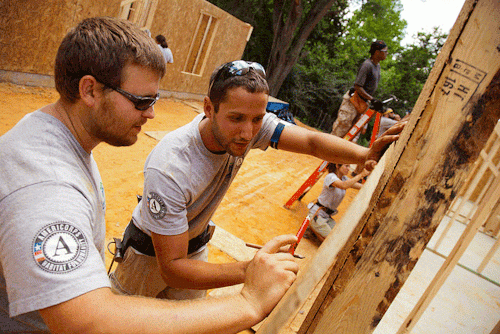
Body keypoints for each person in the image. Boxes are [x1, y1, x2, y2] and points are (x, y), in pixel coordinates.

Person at [0, 17, 300, 333]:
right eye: (141, 101)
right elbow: (87, 322)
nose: (152, 113)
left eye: (153, 100)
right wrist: (248, 304)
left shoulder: (56, 137)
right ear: (90, 90)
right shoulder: (47, 185)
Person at [109, 59, 405, 301]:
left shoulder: (248, 124)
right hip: (147, 259)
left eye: (257, 119)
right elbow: (172, 269)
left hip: (194, 246)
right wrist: (254, 269)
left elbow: (313, 143)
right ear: (209, 109)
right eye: (236, 118)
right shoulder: (171, 167)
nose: (248, 133)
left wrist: (366, 153)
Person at [331, 40, 388, 138]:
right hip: (353, 101)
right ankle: (326, 149)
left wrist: (370, 100)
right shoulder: (367, 65)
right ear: (377, 52)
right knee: (342, 127)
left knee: (353, 132)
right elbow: (358, 86)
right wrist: (372, 99)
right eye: (385, 51)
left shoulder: (377, 66)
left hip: (362, 103)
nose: (387, 54)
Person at [307, 163, 370, 242]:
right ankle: (311, 227)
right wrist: (361, 175)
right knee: (330, 241)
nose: (348, 168)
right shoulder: (331, 177)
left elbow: (361, 186)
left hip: (326, 216)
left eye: (349, 166)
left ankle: (315, 229)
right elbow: (343, 185)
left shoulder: (344, 178)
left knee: (339, 238)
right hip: (317, 214)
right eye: (346, 166)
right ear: (337, 166)